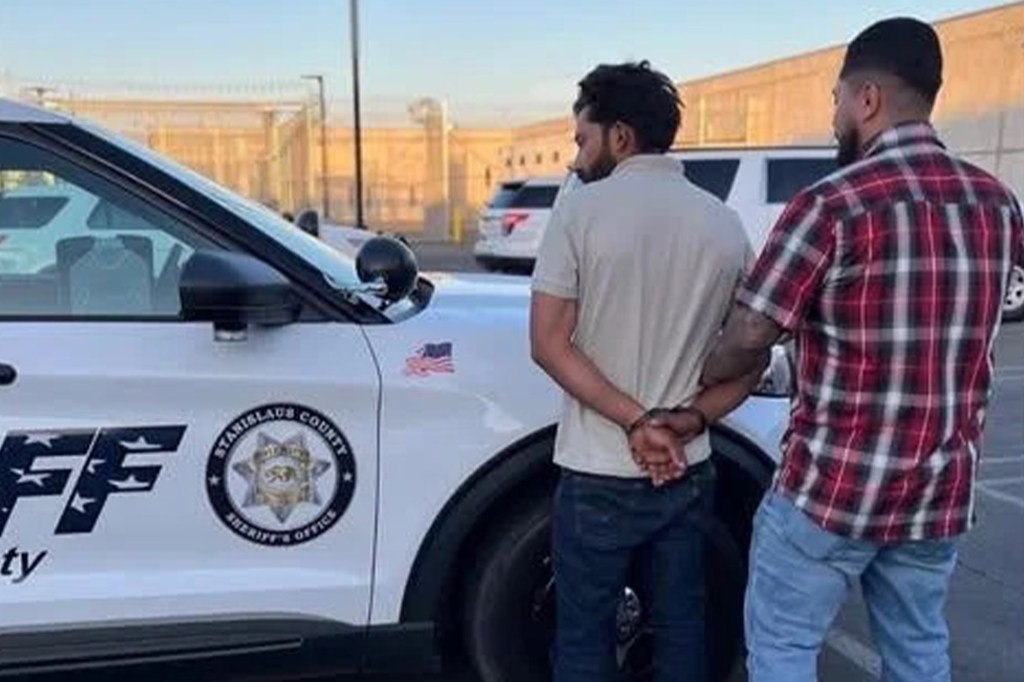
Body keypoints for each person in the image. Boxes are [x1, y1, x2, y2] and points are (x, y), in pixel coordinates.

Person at [699, 17, 1024, 682]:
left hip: (832, 493)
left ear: (867, 99)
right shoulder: (999, 203)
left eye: (837, 101)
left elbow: (752, 335)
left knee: (785, 649)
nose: (835, 116)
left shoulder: (832, 203)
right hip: (938, 492)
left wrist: (691, 375)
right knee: (918, 653)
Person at [529, 60, 764, 682]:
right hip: (687, 469)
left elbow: (549, 344)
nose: (577, 159)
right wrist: (682, 423)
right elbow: (752, 355)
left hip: (597, 469)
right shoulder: (724, 224)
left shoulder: (579, 213)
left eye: (583, 139)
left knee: (583, 634)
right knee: (682, 629)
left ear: (621, 137)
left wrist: (638, 423)